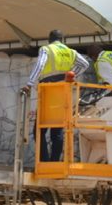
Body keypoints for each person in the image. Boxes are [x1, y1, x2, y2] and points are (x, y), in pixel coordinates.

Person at [22, 30, 92, 162]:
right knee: (57, 129)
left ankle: (44, 161)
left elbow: (40, 64)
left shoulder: (46, 49)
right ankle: (54, 163)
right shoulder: (70, 51)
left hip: (48, 90)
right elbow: (85, 64)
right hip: (63, 91)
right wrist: (72, 74)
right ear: (62, 39)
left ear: (49, 39)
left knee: (39, 129)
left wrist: (29, 83)